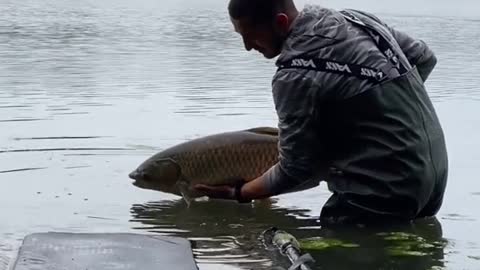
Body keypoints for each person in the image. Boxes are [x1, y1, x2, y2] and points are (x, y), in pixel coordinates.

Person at [195, 0, 448, 225]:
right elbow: (424, 57)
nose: (248, 47)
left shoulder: (294, 75)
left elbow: (295, 168)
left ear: (281, 22)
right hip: (433, 175)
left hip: (381, 192)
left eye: (251, 36)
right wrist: (385, 112)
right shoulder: (358, 20)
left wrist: (239, 193)